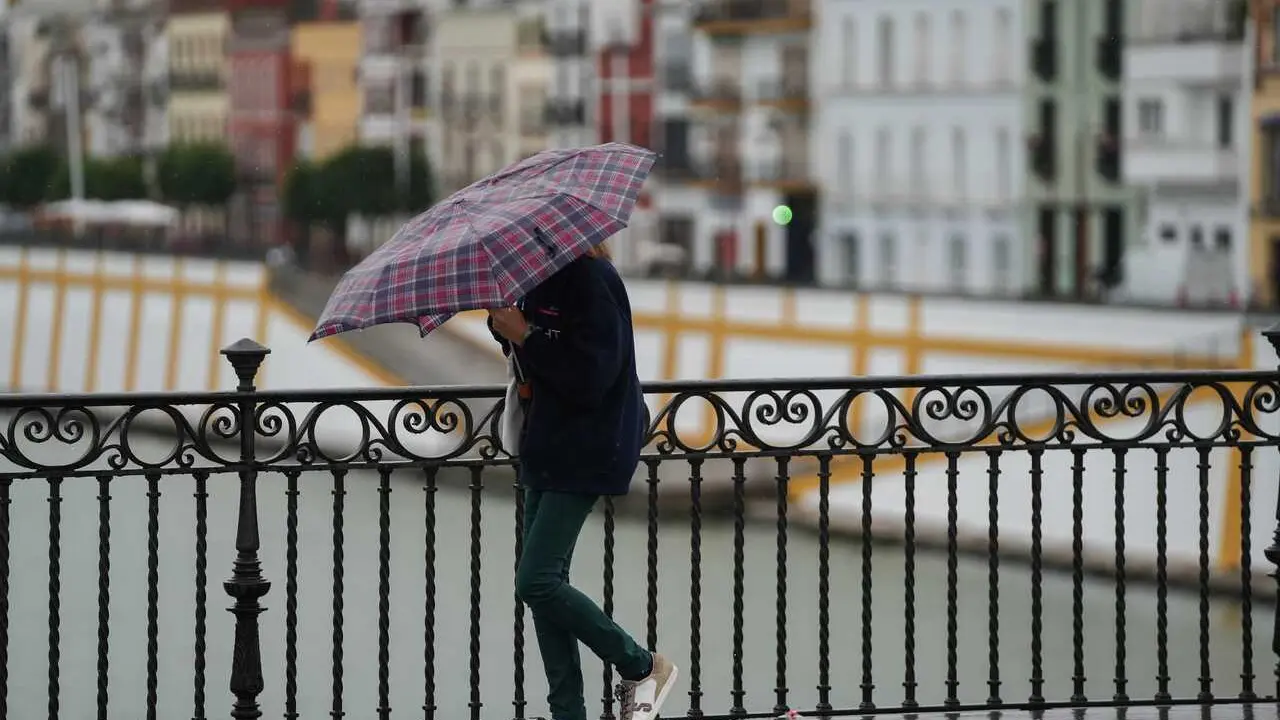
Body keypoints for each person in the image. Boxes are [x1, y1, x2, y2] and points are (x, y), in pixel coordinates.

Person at [486, 242, 678, 720]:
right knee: (546, 585)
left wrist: (527, 335)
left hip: (588, 445)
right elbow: (539, 358)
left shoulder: (594, 281)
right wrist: (506, 328)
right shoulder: (536, 283)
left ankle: (642, 666)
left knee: (537, 581)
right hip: (545, 442)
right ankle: (567, 711)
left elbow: (591, 375)